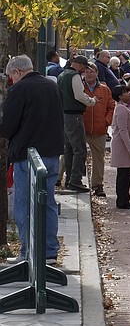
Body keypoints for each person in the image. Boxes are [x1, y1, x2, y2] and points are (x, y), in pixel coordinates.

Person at [0, 55, 64, 264]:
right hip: (52, 153)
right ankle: (50, 252)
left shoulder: (19, 90)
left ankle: (28, 251)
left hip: (27, 155)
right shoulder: (51, 86)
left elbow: (8, 127)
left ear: (17, 72)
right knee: (48, 203)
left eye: (11, 76)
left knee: (24, 205)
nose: (11, 80)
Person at [57, 54, 97, 192]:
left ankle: (69, 179)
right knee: (79, 149)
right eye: (85, 67)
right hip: (73, 115)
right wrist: (91, 101)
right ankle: (75, 180)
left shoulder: (62, 75)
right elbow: (79, 95)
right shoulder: (74, 76)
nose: (85, 71)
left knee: (68, 149)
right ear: (80, 65)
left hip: (63, 115)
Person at [82, 63, 115, 198]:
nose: (89, 74)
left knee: (98, 159)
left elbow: (111, 106)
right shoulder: (79, 88)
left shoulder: (104, 89)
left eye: (92, 71)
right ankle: (71, 180)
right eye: (86, 71)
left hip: (99, 130)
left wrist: (106, 121)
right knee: (74, 154)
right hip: (81, 129)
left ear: (96, 73)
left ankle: (97, 185)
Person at [109, 84, 130, 210]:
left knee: (126, 174)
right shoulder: (121, 109)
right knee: (123, 174)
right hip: (123, 147)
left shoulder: (125, 108)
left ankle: (124, 198)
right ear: (119, 96)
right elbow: (123, 130)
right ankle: (122, 200)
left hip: (127, 145)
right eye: (126, 92)